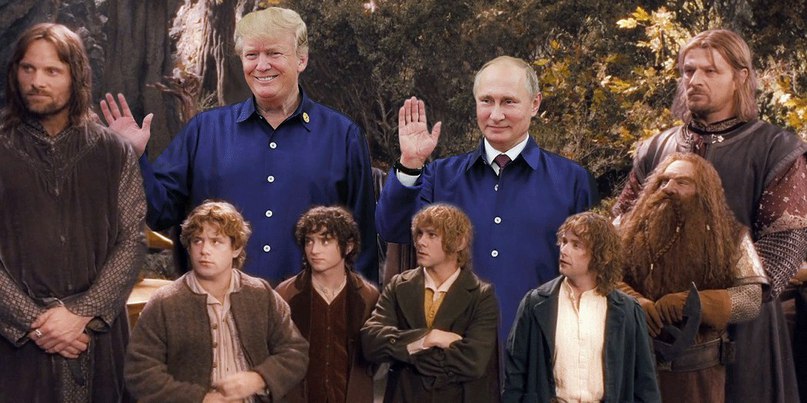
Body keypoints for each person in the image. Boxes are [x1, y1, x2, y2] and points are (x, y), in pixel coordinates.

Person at [101, 6, 378, 284]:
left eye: (274, 53)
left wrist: (360, 306)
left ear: (301, 60)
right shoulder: (202, 132)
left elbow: (361, 244)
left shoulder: (343, 137)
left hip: (312, 309)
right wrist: (133, 157)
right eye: (251, 55)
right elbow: (158, 212)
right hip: (216, 308)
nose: (262, 65)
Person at [612, 29, 807, 402]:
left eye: (710, 71)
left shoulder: (775, 149)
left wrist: (717, 304)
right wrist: (636, 299)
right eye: (689, 71)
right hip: (653, 330)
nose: (695, 80)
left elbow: (781, 249)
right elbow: (621, 231)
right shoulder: (656, 148)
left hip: (743, 338)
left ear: (740, 77)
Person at [375, 56, 597, 341]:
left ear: (535, 104)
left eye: (508, 102)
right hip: (454, 353)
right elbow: (392, 228)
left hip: (538, 350)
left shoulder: (573, 182)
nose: (495, 114)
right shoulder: (440, 177)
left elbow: (589, 278)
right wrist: (410, 163)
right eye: (486, 101)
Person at [0, 23, 146, 402]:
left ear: (76, 76)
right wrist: (35, 323)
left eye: (52, 71)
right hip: (13, 348)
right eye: (28, 68)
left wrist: (81, 314)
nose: (37, 81)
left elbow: (132, 240)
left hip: (98, 341)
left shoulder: (114, 151)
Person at [125, 201, 308, 402]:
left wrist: (259, 378)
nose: (204, 250)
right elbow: (140, 371)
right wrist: (200, 399)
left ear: (236, 248)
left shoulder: (261, 294)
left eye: (216, 241)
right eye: (197, 241)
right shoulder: (165, 302)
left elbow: (295, 352)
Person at [618, 153, 765, 401]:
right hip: (634, 365)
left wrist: (695, 303)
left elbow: (750, 299)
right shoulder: (628, 229)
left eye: (682, 182)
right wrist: (632, 300)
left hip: (698, 377)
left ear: (704, 192)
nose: (668, 188)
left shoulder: (732, 238)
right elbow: (602, 277)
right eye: (663, 181)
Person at [503, 212, 660, 402]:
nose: (564, 250)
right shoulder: (535, 304)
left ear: (603, 256)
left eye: (576, 245)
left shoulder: (628, 310)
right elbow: (515, 375)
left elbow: (645, 384)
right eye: (564, 241)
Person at [362, 204, 500, 402]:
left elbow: (474, 362)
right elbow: (371, 342)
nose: (421, 242)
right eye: (419, 234)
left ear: (459, 242)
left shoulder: (481, 295)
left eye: (432, 235)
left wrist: (405, 353)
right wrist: (425, 339)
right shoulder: (399, 286)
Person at [275, 206, 380, 402]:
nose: (314, 250)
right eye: (309, 241)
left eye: (325, 241)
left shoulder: (367, 296)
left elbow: (374, 357)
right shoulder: (286, 293)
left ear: (348, 246)